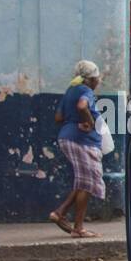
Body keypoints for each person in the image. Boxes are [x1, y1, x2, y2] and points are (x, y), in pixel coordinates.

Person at [49, 60, 105, 237]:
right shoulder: (85, 91)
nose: (98, 81)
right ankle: (78, 228)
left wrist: (75, 120)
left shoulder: (70, 91)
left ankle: (59, 213)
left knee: (84, 180)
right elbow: (82, 106)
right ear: (90, 79)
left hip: (68, 137)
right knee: (87, 183)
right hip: (81, 141)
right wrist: (88, 121)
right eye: (97, 78)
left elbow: (58, 117)